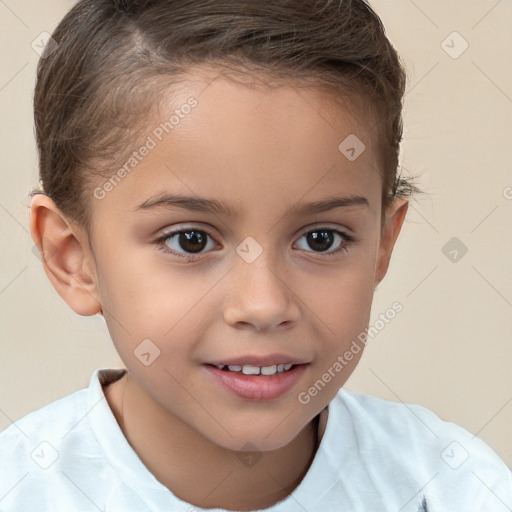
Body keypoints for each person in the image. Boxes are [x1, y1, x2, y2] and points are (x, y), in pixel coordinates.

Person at [1, 0, 510, 510]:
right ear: (72, 257)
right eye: (191, 240)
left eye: (321, 239)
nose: (265, 305)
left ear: (382, 244)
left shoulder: (453, 488)